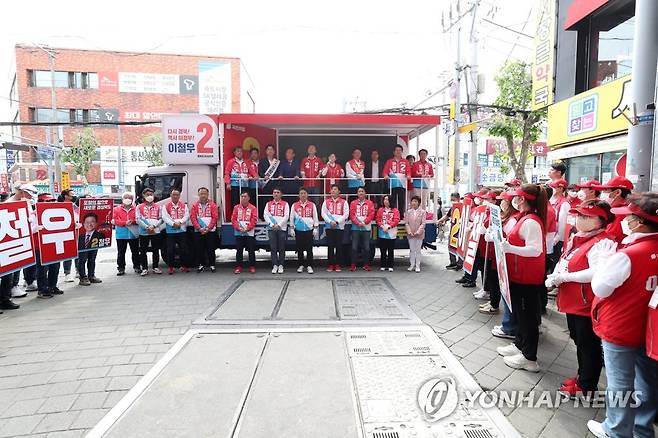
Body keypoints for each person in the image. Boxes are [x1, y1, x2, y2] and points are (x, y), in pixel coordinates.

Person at [587, 193, 658, 438]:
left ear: (640, 223)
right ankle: (642, 429)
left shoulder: (628, 254)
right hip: (648, 329)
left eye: (629, 217)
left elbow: (601, 288)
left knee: (620, 383)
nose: (625, 221)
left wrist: (603, 262)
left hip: (621, 327)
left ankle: (616, 430)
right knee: (646, 381)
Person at [548, 200, 616, 399]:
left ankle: (587, 386)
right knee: (579, 340)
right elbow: (566, 260)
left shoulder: (603, 242)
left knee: (588, 345)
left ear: (601, 220)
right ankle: (582, 377)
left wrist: (563, 277)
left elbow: (596, 272)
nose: (580, 219)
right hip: (573, 299)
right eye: (579, 215)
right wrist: (556, 275)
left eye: (587, 216)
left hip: (586, 302)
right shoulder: (579, 237)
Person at [496, 184, 547, 373]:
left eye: (516, 197)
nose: (512, 200)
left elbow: (535, 250)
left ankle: (529, 358)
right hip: (518, 275)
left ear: (523, 199)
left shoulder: (531, 221)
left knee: (527, 318)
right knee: (519, 314)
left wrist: (510, 249)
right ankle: (519, 345)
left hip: (527, 277)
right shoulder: (524, 218)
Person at [490, 192, 521, 339]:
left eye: (504, 201)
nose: (501, 203)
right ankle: (507, 324)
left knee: (508, 295)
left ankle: (509, 327)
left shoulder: (514, 219)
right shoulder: (508, 218)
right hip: (504, 260)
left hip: (510, 261)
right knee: (505, 293)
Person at [35, 194, 62, 298]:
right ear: (40, 202)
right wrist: (34, 228)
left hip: (54, 243)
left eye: (52, 201)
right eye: (48, 201)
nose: (51, 203)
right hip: (40, 246)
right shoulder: (33, 214)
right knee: (42, 268)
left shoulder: (57, 213)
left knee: (55, 266)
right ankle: (42, 289)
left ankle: (52, 286)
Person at [592, 176, 634, 243]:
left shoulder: (619, 213)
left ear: (617, 192)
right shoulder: (624, 209)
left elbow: (608, 237)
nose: (602, 194)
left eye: (605, 190)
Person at [290, 187, 319, 274]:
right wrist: (292, 228)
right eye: (301, 193)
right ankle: (301, 265)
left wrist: (315, 228)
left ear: (307, 195)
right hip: (298, 229)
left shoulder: (312, 205)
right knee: (300, 248)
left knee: (309, 248)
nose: (303, 195)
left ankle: (309, 265)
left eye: (304, 193)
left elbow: (315, 217)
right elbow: (291, 217)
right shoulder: (294, 205)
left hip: (309, 229)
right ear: (299, 195)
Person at [190, 187, 218, 273]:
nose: (203, 195)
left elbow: (215, 217)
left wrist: (208, 228)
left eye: (205, 193)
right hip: (199, 231)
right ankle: (201, 265)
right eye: (201, 194)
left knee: (211, 248)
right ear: (198, 195)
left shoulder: (212, 205)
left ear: (207, 194)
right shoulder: (194, 205)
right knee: (199, 248)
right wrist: (199, 228)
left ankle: (212, 265)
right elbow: (193, 218)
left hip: (210, 231)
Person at [321, 184, 349, 272]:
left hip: (339, 227)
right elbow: (323, 213)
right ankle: (330, 264)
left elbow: (346, 214)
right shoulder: (326, 202)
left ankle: (337, 264)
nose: (333, 191)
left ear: (339, 191)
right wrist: (330, 221)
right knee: (330, 246)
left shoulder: (344, 202)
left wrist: (337, 222)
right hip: (329, 227)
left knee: (339, 246)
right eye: (332, 189)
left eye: (335, 189)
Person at [161, 189, 190, 275]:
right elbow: (164, 217)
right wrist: (173, 224)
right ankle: (171, 267)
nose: (175, 196)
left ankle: (184, 266)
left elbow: (187, 216)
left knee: (184, 249)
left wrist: (180, 222)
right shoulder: (166, 206)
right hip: (170, 231)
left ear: (179, 196)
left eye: (177, 195)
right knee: (170, 250)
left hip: (182, 230)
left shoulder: (184, 206)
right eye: (173, 195)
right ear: (171, 196)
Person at [136, 188, 163, 276]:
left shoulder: (158, 206)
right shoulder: (139, 207)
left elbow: (161, 219)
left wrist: (154, 226)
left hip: (155, 231)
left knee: (155, 250)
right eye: (147, 195)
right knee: (143, 250)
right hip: (144, 232)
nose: (149, 196)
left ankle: (155, 267)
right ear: (143, 196)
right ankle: (144, 268)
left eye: (151, 194)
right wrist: (147, 227)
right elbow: (138, 219)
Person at [113, 192, 140, 276]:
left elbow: (139, 219)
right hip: (121, 235)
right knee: (121, 253)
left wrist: (133, 221)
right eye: (126, 197)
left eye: (129, 198)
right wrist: (124, 223)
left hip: (133, 234)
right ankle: (121, 268)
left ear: (132, 199)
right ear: (122, 199)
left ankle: (137, 266)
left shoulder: (136, 209)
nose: (127, 199)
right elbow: (114, 221)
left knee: (135, 252)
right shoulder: (116, 209)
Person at [264, 187, 290, 274]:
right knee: (273, 248)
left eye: (278, 192)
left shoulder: (285, 204)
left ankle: (281, 265)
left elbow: (286, 216)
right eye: (274, 192)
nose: (276, 194)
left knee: (282, 248)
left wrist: (278, 225)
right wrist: (272, 225)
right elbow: (265, 215)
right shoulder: (268, 204)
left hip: (281, 228)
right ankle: (275, 265)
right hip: (271, 229)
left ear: (281, 194)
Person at [349, 187, 375, 271]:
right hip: (355, 228)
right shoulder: (353, 203)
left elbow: (371, 214)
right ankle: (353, 265)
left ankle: (366, 265)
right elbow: (352, 215)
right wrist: (358, 223)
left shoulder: (370, 203)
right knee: (354, 247)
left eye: (362, 191)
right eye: (359, 191)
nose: (360, 193)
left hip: (366, 228)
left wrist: (364, 222)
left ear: (365, 193)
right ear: (357, 193)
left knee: (366, 247)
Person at [231, 192, 258, 274]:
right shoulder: (236, 207)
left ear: (249, 198)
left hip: (249, 232)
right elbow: (233, 219)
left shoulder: (253, 208)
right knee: (239, 250)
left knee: (251, 250)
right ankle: (238, 267)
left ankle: (252, 266)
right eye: (242, 196)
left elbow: (254, 220)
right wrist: (239, 228)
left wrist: (247, 228)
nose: (243, 198)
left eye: (245, 196)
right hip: (239, 232)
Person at [383, 145, 411, 216]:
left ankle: (401, 215)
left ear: (402, 152)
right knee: (392, 200)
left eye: (400, 150)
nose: (398, 152)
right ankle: (393, 215)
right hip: (393, 184)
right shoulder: (389, 161)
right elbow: (385, 171)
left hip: (402, 184)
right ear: (393, 152)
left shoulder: (406, 161)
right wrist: (386, 175)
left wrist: (408, 175)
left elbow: (408, 171)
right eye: (396, 150)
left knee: (402, 200)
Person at [224, 146, 254, 211]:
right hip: (235, 185)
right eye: (238, 151)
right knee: (235, 201)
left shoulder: (246, 161)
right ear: (234, 153)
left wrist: (255, 176)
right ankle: (235, 215)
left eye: (241, 151)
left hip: (245, 184)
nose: (239, 153)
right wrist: (228, 183)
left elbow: (252, 171)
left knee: (245, 201)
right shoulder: (231, 162)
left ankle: (245, 215)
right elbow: (227, 173)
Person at [77, 212, 103, 286]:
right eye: (87, 222)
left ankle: (91, 276)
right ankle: (83, 277)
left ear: (96, 223)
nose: (89, 224)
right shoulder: (79, 236)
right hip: (82, 247)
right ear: (83, 224)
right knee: (82, 260)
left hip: (94, 246)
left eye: (92, 221)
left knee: (92, 259)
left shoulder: (100, 235)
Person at [438, 192, 462, 271]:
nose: (452, 201)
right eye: (451, 200)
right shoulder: (453, 208)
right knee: (451, 246)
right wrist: (439, 220)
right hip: (453, 230)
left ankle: (460, 264)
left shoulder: (463, 207)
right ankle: (453, 262)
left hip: (460, 231)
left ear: (458, 199)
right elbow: (447, 216)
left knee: (460, 247)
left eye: (454, 199)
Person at [376, 194, 400, 271]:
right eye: (384, 199)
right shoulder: (380, 210)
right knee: (382, 250)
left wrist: (389, 227)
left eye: (387, 199)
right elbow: (378, 220)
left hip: (391, 233)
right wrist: (382, 226)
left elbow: (396, 220)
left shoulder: (395, 210)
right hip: (382, 232)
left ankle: (390, 266)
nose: (385, 201)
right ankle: (383, 265)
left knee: (390, 250)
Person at [59, 189, 78, 283]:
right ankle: (67, 273)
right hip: (65, 234)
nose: (74, 196)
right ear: (66, 196)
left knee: (78, 252)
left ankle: (78, 270)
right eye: (72, 194)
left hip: (76, 233)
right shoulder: (60, 206)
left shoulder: (75, 206)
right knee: (68, 254)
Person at [549, 179, 570, 259]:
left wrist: (556, 240)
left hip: (557, 241)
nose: (551, 189)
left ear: (561, 188)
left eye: (553, 187)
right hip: (550, 237)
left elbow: (562, 225)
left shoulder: (564, 203)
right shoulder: (551, 200)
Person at [258, 144, 280, 219]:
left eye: (271, 149)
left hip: (275, 184)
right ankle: (264, 217)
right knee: (265, 200)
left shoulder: (277, 162)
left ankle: (274, 216)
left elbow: (279, 172)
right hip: (266, 184)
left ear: (274, 151)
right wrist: (264, 176)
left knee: (275, 200)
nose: (270, 151)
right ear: (266, 151)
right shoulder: (262, 161)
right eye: (268, 149)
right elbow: (260, 171)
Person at [405, 195, 426, 272]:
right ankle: (412, 265)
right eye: (412, 201)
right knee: (412, 250)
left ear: (419, 203)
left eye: (415, 201)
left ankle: (417, 266)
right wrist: (409, 232)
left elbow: (423, 223)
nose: (413, 203)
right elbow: (406, 223)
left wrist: (417, 232)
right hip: (411, 234)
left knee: (418, 250)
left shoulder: (423, 212)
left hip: (419, 235)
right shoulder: (408, 212)